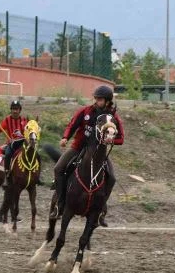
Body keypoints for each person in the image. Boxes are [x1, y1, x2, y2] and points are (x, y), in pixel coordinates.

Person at [52, 85, 124, 225]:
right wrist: (65, 137)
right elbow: (72, 125)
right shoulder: (85, 111)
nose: (96, 101)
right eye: (96, 98)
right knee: (58, 168)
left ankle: (101, 209)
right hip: (78, 147)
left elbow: (121, 138)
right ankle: (59, 204)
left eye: (100, 99)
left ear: (108, 101)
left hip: (99, 152)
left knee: (112, 178)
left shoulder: (112, 117)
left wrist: (111, 140)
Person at [0, 100, 28, 188]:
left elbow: (29, 131)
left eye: (17, 109)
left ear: (20, 110)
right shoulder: (7, 120)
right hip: (11, 144)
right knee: (8, 154)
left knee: (33, 153)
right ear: (11, 110)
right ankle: (7, 176)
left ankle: (35, 175)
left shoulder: (24, 120)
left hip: (22, 143)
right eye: (13, 109)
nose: (15, 111)